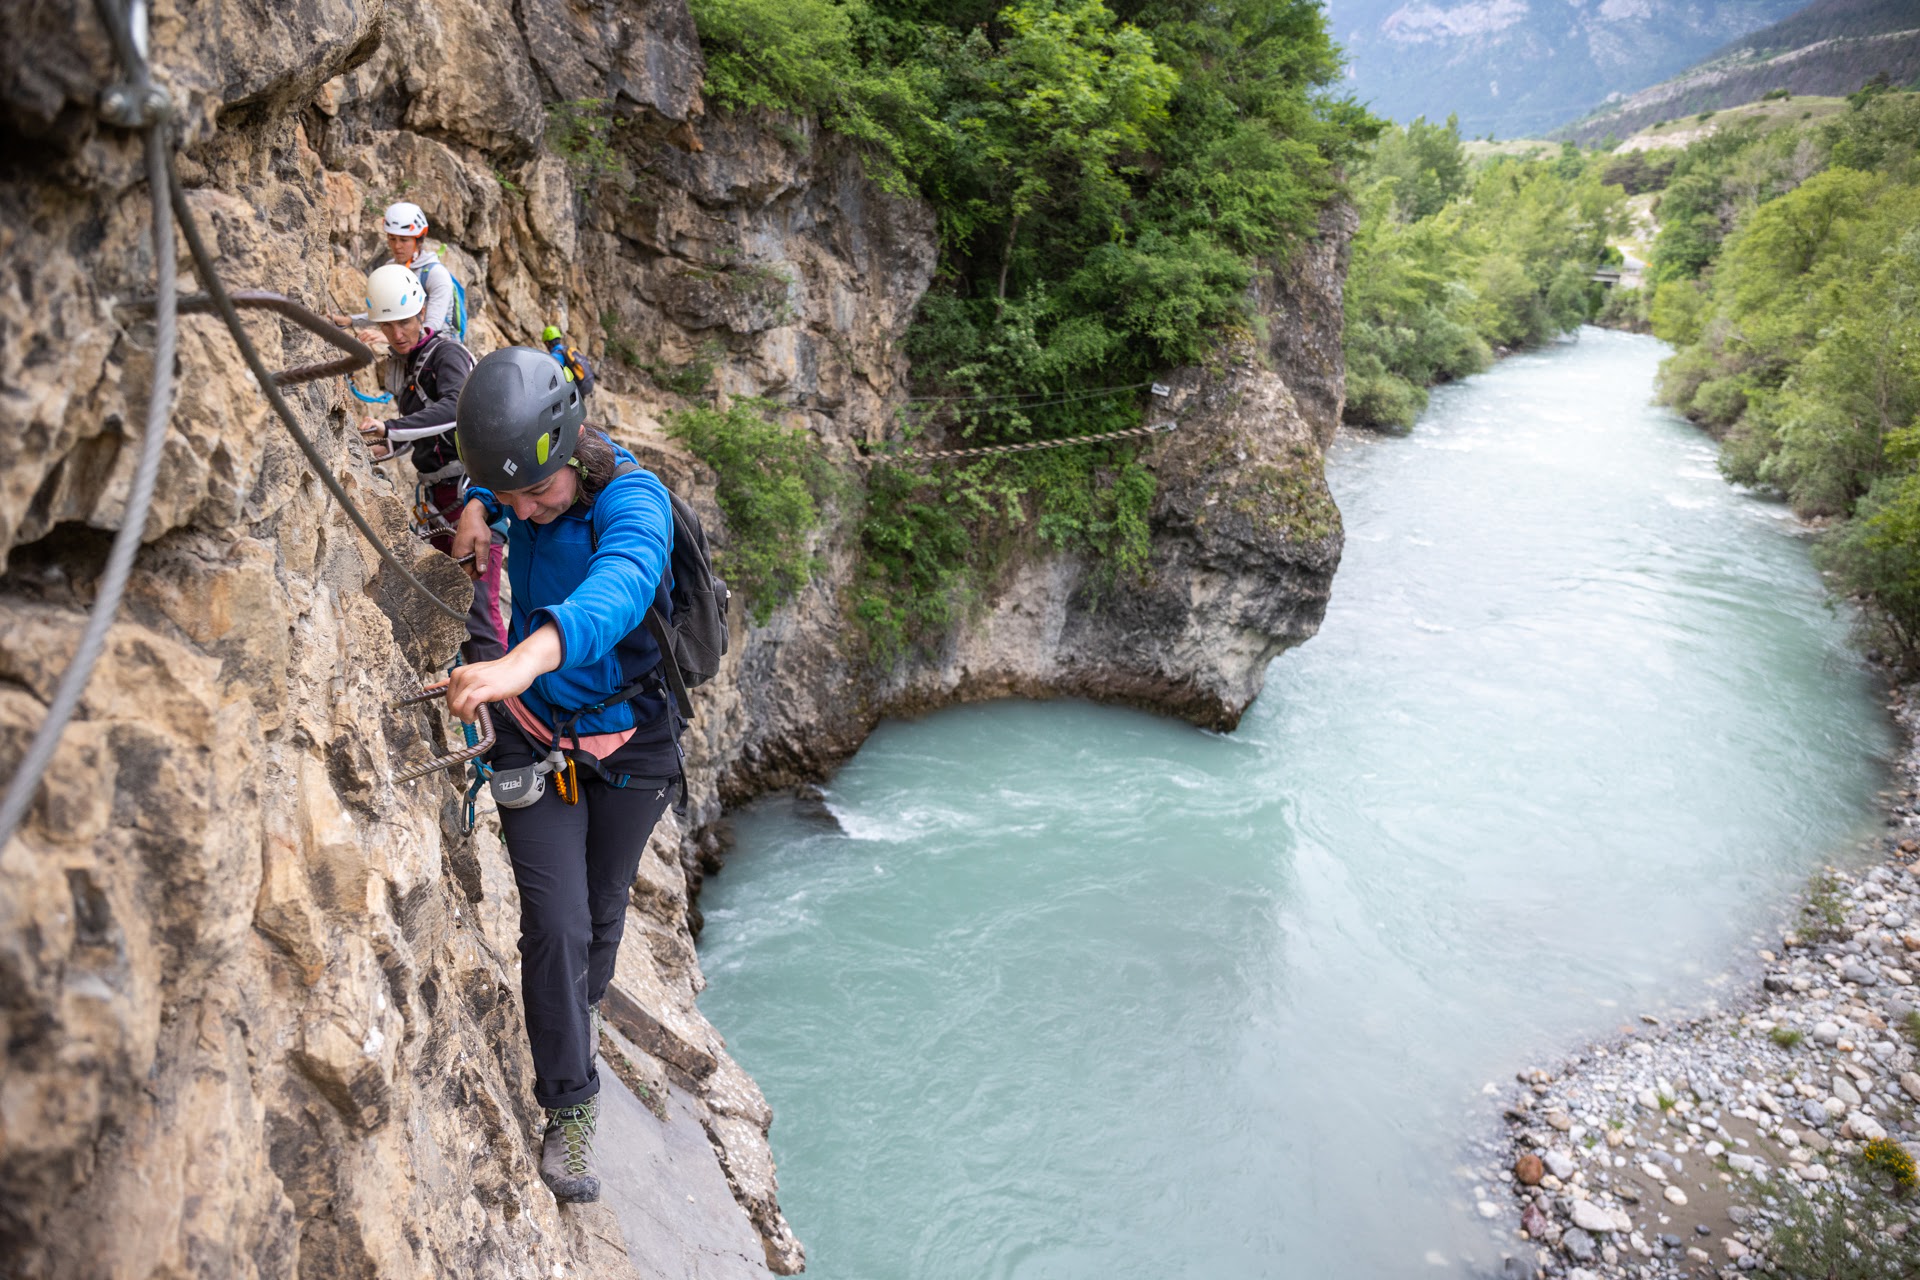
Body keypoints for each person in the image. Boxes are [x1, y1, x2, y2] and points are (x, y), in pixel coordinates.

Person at [443, 347, 682, 1204]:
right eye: (510, 497)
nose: (525, 511)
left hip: (632, 742)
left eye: (537, 494)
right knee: (556, 923)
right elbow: (501, 482)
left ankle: (574, 1023)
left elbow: (619, 588)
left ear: (570, 450)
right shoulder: (518, 486)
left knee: (604, 910)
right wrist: (477, 503)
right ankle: (570, 1106)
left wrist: (524, 656)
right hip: (533, 735)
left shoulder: (633, 498)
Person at [346, 263, 504, 662]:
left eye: (405, 322)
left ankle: (505, 708)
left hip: (472, 497)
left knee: (478, 611)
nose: (397, 335)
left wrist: (390, 428)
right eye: (388, 326)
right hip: (437, 499)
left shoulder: (446, 354)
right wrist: (389, 446)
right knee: (449, 604)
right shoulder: (405, 366)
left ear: (421, 313)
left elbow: (455, 408)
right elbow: (424, 430)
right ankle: (480, 707)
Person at [331, 201, 460, 337]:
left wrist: (390, 338)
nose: (397, 246)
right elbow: (387, 311)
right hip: (408, 347)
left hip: (439, 351)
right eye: (392, 239)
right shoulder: (391, 267)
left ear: (419, 240)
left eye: (404, 240)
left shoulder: (436, 274)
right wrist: (351, 321)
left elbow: (432, 327)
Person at [542, 324, 596, 399]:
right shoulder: (567, 349)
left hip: (575, 388)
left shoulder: (556, 356)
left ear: (547, 343)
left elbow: (549, 377)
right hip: (584, 384)